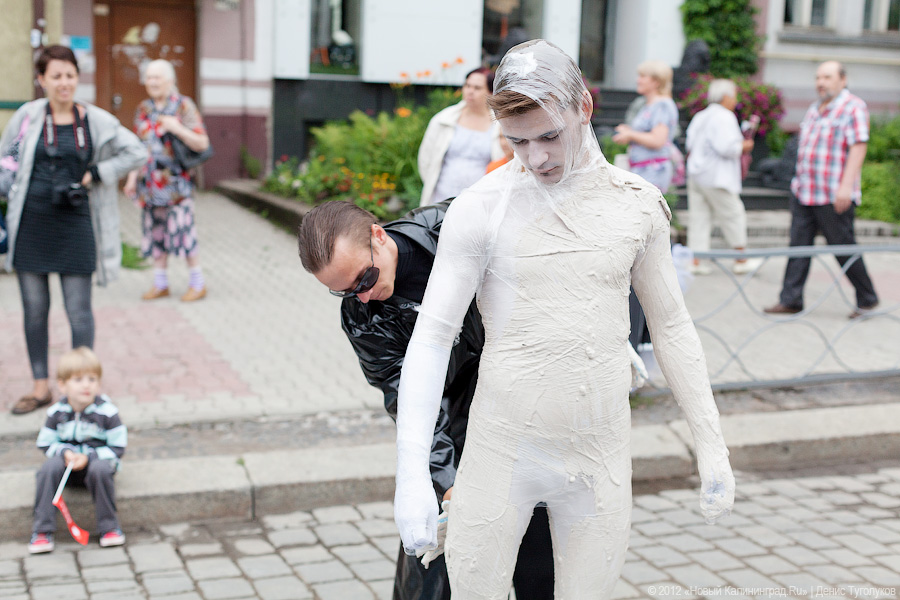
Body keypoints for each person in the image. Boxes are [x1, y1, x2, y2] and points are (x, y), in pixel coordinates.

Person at [393, 40, 734, 598]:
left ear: (585, 108)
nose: (536, 158)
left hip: (597, 454)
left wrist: (711, 443)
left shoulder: (635, 205)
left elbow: (671, 326)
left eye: (550, 135)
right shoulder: (480, 209)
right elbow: (431, 339)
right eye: (518, 142)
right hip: (501, 449)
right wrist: (411, 478)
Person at [297, 199, 555, 599]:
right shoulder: (362, 316)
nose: (361, 297)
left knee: (538, 549)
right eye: (343, 291)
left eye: (363, 280)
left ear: (378, 237)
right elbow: (406, 398)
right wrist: (446, 480)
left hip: (523, 397)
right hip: (450, 416)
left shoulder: (456, 225)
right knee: (430, 563)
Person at [1, 45, 146, 416]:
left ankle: (81, 392)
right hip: (31, 222)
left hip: (76, 225)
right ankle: (40, 387)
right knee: (35, 311)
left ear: (76, 78)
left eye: (70, 75)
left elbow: (136, 152)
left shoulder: (94, 120)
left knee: (79, 312)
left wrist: (97, 173)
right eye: (56, 76)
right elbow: (8, 161)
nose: (64, 83)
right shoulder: (29, 117)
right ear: (41, 80)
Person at [764, 61, 879, 319]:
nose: (821, 82)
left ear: (843, 79)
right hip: (804, 191)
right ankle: (791, 299)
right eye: (818, 77)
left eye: (827, 77)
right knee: (798, 247)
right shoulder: (816, 108)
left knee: (843, 246)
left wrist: (846, 188)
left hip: (832, 193)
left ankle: (868, 298)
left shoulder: (853, 107)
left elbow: (858, 147)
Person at [124, 59, 210, 302]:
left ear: (170, 80)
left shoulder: (183, 106)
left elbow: (202, 143)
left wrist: (177, 128)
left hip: (176, 187)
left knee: (184, 234)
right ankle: (160, 284)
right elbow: (138, 147)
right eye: (148, 77)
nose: (151, 82)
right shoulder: (144, 108)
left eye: (157, 77)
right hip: (149, 186)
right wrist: (131, 178)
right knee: (155, 235)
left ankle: (198, 283)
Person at [28, 347, 128, 554]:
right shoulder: (57, 412)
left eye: (92, 379)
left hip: (97, 470)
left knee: (100, 469)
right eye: (78, 379)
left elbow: (118, 447)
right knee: (48, 468)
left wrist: (89, 457)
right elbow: (45, 442)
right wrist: (64, 452)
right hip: (67, 470)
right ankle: (42, 530)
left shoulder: (107, 412)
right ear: (63, 385)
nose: (86, 385)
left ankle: (109, 527)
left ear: (99, 384)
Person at [685, 79, 761, 276]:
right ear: (726, 96)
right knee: (733, 214)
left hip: (696, 173)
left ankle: (697, 260)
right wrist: (745, 145)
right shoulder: (724, 117)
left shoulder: (701, 115)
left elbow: (690, 142)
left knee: (700, 217)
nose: (735, 100)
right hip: (717, 176)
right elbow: (727, 147)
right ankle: (741, 259)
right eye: (734, 95)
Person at [417, 67, 505, 206]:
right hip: (440, 199)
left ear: (490, 92)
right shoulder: (443, 119)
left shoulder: (500, 125)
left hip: (479, 203)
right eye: (467, 85)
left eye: (477, 88)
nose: (470, 91)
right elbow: (425, 158)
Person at [612, 59, 679, 192]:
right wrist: (629, 132)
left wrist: (631, 134)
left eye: (643, 76)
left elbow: (658, 140)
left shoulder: (663, 105)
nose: (638, 80)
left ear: (656, 81)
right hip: (644, 170)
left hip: (653, 171)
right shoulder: (649, 105)